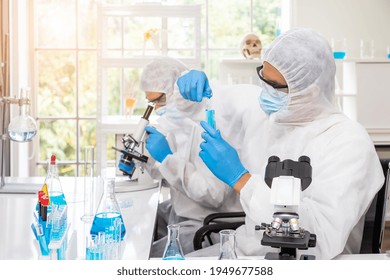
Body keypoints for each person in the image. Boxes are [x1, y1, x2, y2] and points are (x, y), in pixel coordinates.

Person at [176, 28, 385, 259]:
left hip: (306, 263)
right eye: (262, 77)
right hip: (246, 249)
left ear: (311, 91)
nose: (264, 91)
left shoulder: (348, 142)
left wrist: (241, 180)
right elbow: (206, 103)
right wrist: (189, 86)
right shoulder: (269, 114)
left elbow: (319, 237)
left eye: (274, 86)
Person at [139, 56, 243, 257]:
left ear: (178, 91)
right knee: (146, 222)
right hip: (185, 210)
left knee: (144, 255)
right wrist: (147, 160)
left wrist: (167, 158)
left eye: (160, 100)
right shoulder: (182, 124)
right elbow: (172, 175)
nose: (158, 109)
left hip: (207, 223)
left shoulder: (211, 124)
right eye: (152, 102)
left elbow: (212, 194)